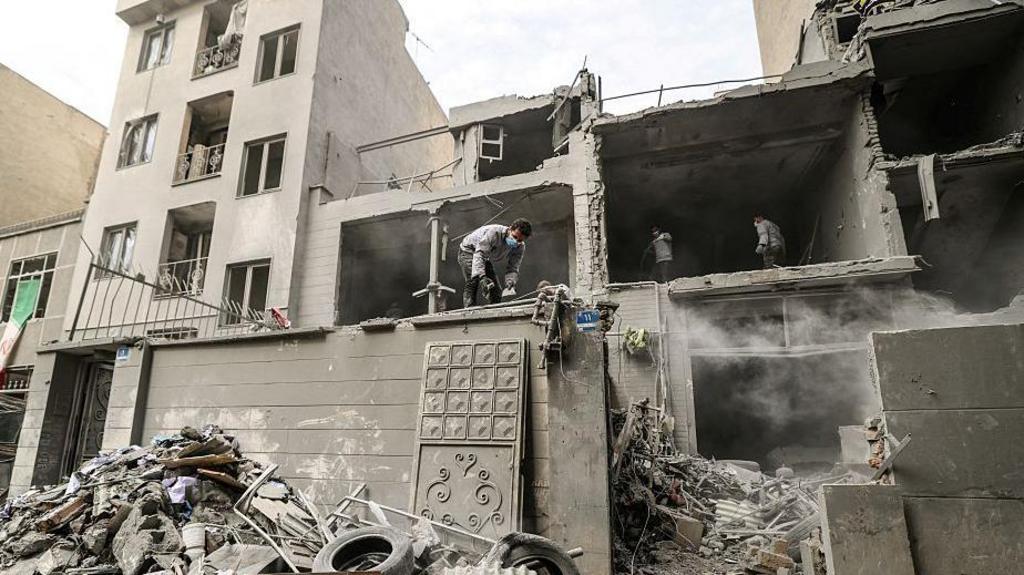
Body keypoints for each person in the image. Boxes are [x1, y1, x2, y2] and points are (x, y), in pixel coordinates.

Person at [458, 219, 532, 308]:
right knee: (473, 280)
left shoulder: (520, 247)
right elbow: (480, 254)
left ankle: (495, 309)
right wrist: (482, 277)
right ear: (510, 229)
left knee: (496, 290)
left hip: (485, 256)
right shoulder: (494, 233)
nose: (516, 242)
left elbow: (513, 266)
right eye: (515, 237)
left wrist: (510, 280)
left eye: (520, 240)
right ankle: (468, 309)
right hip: (468, 250)